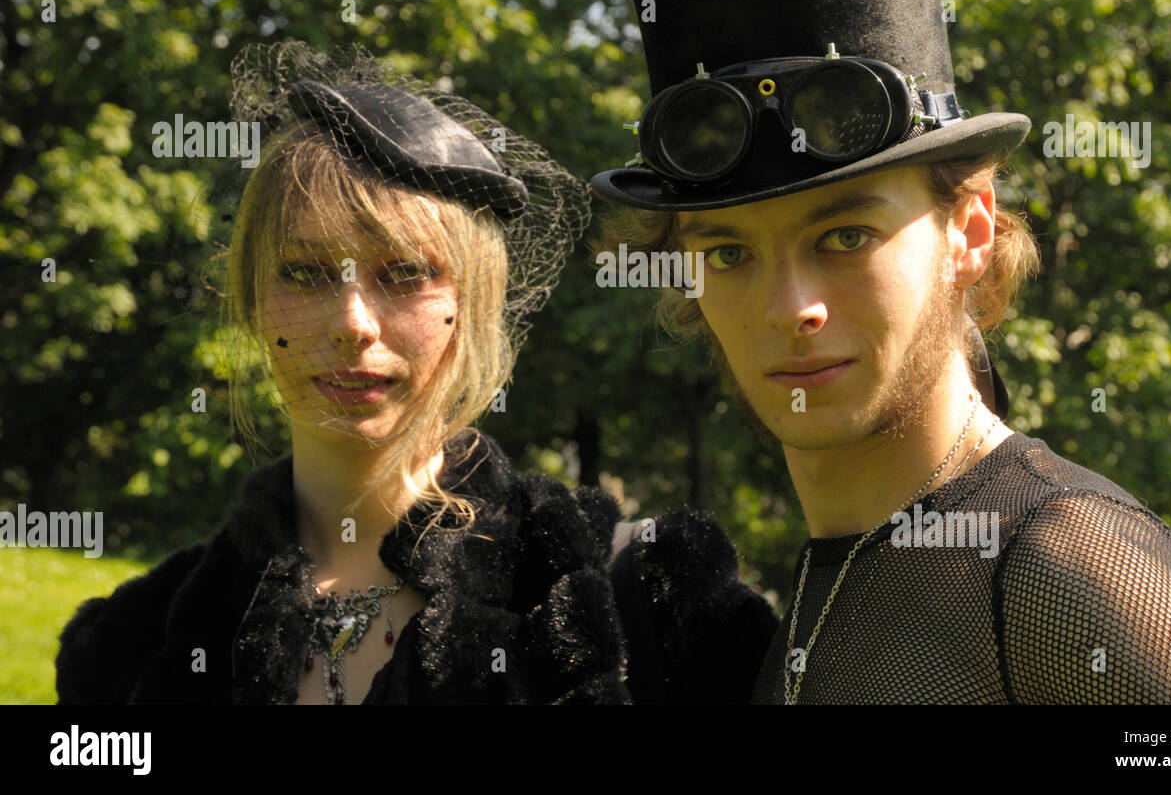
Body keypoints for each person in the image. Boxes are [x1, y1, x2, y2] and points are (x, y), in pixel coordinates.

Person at [591, 0, 1171, 704]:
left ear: (969, 231)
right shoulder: (822, 581)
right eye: (729, 253)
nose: (789, 307)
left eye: (844, 235)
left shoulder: (1065, 568)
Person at [55, 40, 774, 704]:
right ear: (247, 296)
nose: (353, 323)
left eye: (403, 274)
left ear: (475, 301)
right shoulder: (132, 646)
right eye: (304, 273)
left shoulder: (644, 598)